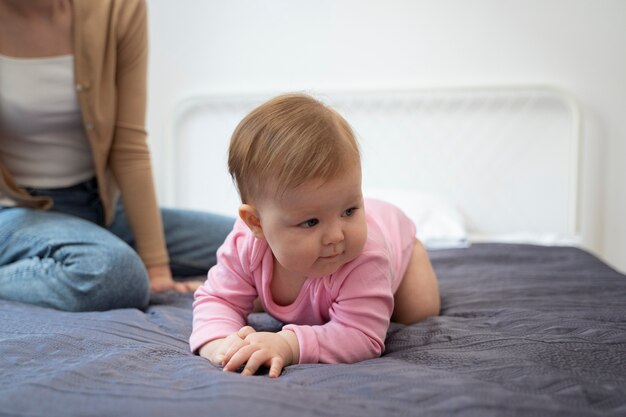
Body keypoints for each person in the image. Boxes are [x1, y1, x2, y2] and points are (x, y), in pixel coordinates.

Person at [0, 0, 233, 311]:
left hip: (101, 206)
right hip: (13, 212)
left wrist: (157, 267)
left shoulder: (118, 8)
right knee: (116, 274)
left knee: (259, 244)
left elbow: (128, 145)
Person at [190, 93, 440, 378]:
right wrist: (220, 345)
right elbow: (218, 300)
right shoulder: (245, 245)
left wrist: (289, 344)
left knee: (419, 311)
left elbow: (362, 337)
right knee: (246, 293)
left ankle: (406, 261)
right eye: (310, 222)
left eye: (349, 210)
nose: (336, 236)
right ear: (256, 223)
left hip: (400, 250)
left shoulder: (366, 254)